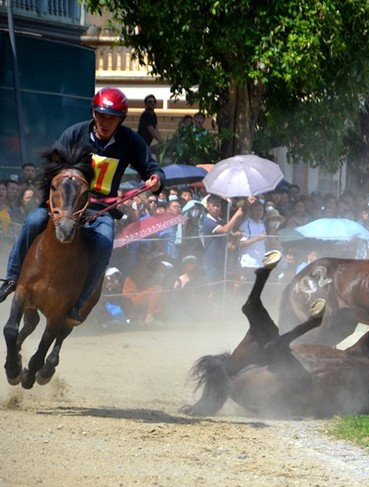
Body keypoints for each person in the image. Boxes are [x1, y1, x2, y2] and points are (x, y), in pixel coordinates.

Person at [0, 87, 164, 325]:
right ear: (93, 113)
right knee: (33, 221)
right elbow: (53, 168)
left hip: (100, 209)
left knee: (105, 242)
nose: (104, 122)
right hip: (66, 203)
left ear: (121, 120)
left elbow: (152, 168)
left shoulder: (130, 141)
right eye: (100, 115)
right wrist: (51, 200)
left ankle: (80, 301)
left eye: (111, 118)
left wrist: (157, 180)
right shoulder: (74, 133)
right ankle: (11, 278)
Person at [201, 194, 249, 285]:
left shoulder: (219, 221)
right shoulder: (208, 221)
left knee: (220, 290)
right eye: (213, 205)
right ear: (207, 207)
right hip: (211, 262)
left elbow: (229, 243)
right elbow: (225, 230)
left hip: (221, 261)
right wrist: (236, 215)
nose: (216, 208)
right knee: (211, 291)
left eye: (218, 206)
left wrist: (235, 236)